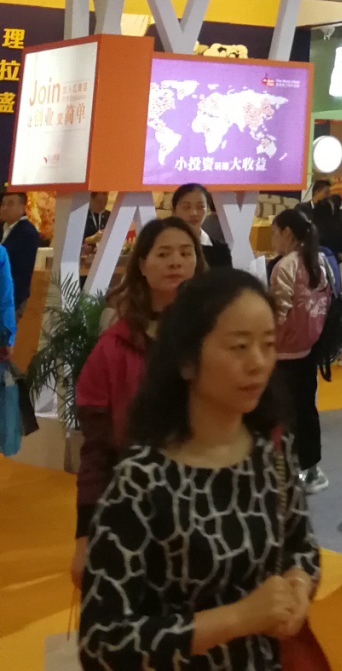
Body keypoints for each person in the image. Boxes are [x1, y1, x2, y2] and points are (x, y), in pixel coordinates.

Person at [78, 269, 320, 671]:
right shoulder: (142, 479)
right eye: (239, 346)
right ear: (188, 362)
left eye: (268, 344)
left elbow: (300, 545)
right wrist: (239, 618)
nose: (258, 363)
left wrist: (298, 582)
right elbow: (102, 641)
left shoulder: (271, 453)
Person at [72, 215, 206, 584]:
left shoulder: (218, 337)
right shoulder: (113, 347)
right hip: (137, 512)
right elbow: (97, 451)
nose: (176, 261)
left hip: (208, 505)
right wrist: (84, 536)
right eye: (164, 254)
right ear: (142, 265)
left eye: (186, 252)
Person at [269, 207, 332, 494]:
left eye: (274, 233)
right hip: (310, 349)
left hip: (283, 353)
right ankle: (311, 469)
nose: (272, 240)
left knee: (281, 413)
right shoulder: (319, 261)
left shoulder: (285, 266)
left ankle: (283, 471)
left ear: (286, 233)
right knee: (306, 409)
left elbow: (279, 313)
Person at [172, 182, 232, 270]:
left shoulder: (221, 251)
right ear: (174, 211)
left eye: (200, 207)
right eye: (186, 207)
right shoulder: (162, 246)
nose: (193, 213)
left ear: (207, 210)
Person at [0, 189, 41, 316]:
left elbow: (22, 272)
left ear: (22, 207)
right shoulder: (4, 228)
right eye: (3, 204)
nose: (4, 208)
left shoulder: (27, 233)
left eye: (10, 204)